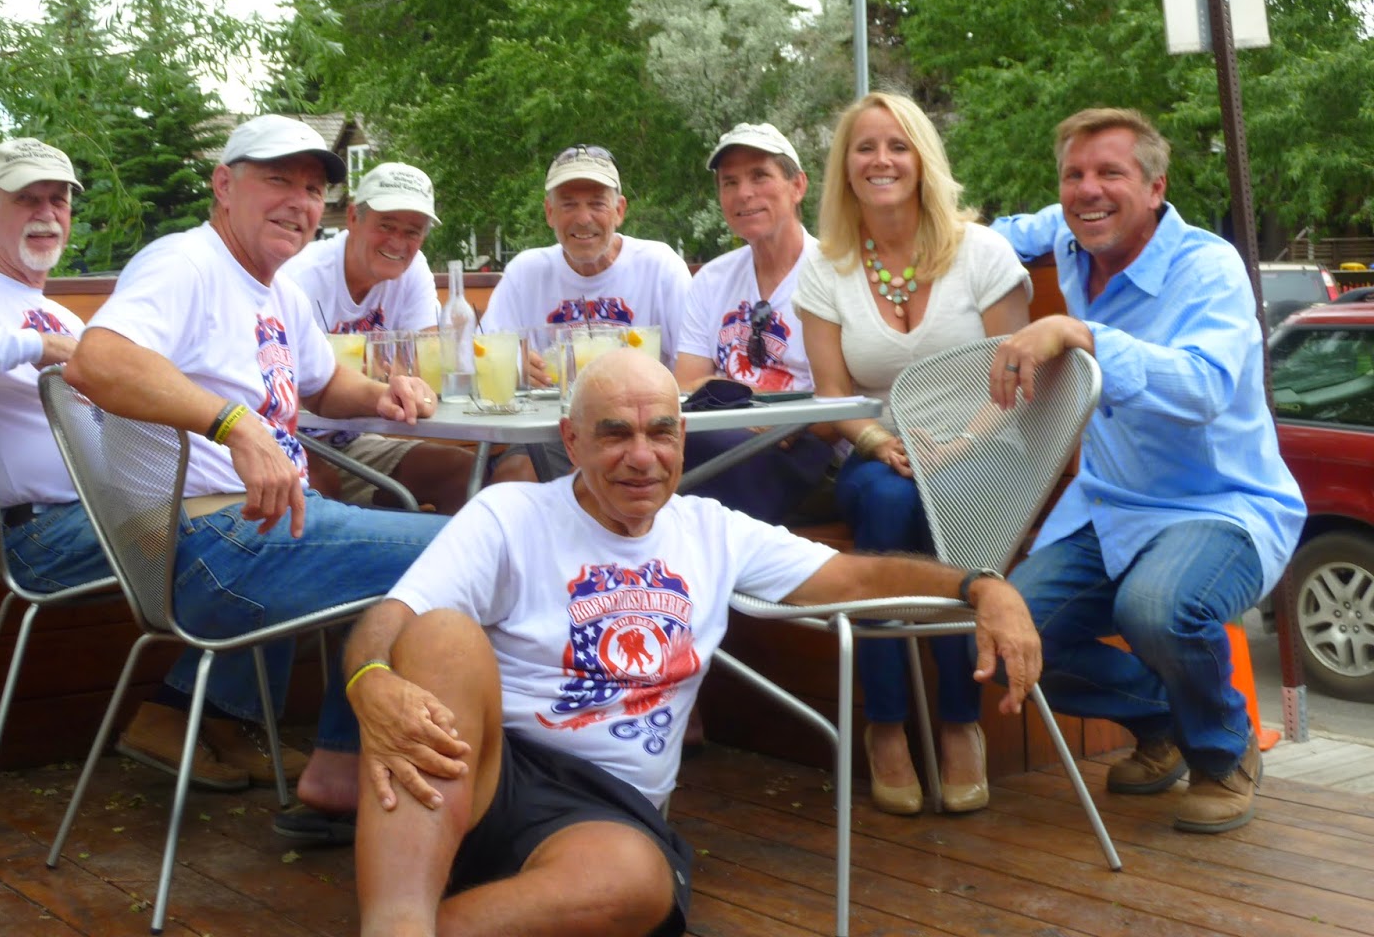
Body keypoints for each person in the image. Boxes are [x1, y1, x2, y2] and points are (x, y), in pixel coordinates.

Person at [336, 348, 1041, 937]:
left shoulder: (714, 532)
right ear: (571, 441)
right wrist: (369, 679)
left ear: (682, 438)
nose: (642, 457)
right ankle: (394, 922)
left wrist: (982, 586)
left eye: (662, 433)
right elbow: (390, 619)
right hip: (486, 771)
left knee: (637, 883)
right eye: (615, 434)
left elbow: (857, 577)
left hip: (601, 812)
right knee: (440, 635)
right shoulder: (510, 514)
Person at [62, 114, 448, 838]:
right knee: (461, 549)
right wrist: (234, 426)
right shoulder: (185, 264)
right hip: (203, 542)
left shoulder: (278, 291)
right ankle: (350, 771)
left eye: (312, 190)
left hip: (258, 526)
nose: (299, 202)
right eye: (278, 180)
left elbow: (325, 383)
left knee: (438, 544)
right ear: (224, 184)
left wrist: (384, 394)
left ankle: (323, 754)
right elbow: (96, 360)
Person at [0, 138, 251, 792]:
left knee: (274, 517)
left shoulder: (59, 312)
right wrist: (35, 344)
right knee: (249, 541)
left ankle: (222, 722)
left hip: (107, 514)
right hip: (42, 534)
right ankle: (182, 715)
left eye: (58, 200)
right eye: (28, 199)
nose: (47, 213)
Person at [989, 106, 1305, 834]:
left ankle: (1222, 753)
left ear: (1157, 188)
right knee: (1008, 636)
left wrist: (1082, 332)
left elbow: (1203, 389)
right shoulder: (1069, 236)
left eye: (1111, 173)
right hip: (1108, 505)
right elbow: (1001, 234)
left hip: (1220, 506)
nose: (1088, 189)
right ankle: (1164, 720)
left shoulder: (1209, 267)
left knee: (1156, 609)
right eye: (1074, 174)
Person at [793, 92, 1032, 817]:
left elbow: (1020, 379)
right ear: (845, 167)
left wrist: (959, 446)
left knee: (932, 504)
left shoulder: (981, 253)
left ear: (923, 159)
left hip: (984, 447)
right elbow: (831, 397)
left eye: (897, 146)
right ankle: (889, 725)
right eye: (864, 148)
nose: (882, 160)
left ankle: (957, 721)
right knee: (889, 498)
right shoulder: (825, 266)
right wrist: (877, 441)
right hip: (881, 453)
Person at [482, 143, 691, 484]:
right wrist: (516, 367)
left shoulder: (659, 267)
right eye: (569, 204)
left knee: (595, 480)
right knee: (513, 477)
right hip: (550, 432)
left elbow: (691, 369)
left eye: (597, 204)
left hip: (640, 432)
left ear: (619, 210)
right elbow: (484, 355)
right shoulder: (526, 271)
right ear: (550, 213)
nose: (583, 218)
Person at [279, 162, 473, 514]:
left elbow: (429, 366)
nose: (398, 242)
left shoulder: (412, 269)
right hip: (293, 437)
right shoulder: (298, 277)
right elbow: (282, 390)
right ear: (353, 217)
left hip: (360, 438)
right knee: (322, 483)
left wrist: (407, 382)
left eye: (412, 231)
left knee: (463, 472)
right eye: (386, 225)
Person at [673, 122, 837, 523]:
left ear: (798, 186)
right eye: (729, 182)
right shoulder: (712, 280)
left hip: (807, 450)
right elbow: (685, 386)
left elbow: (837, 407)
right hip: (720, 440)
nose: (743, 193)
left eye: (759, 176)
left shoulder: (835, 273)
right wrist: (757, 404)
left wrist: (724, 392)